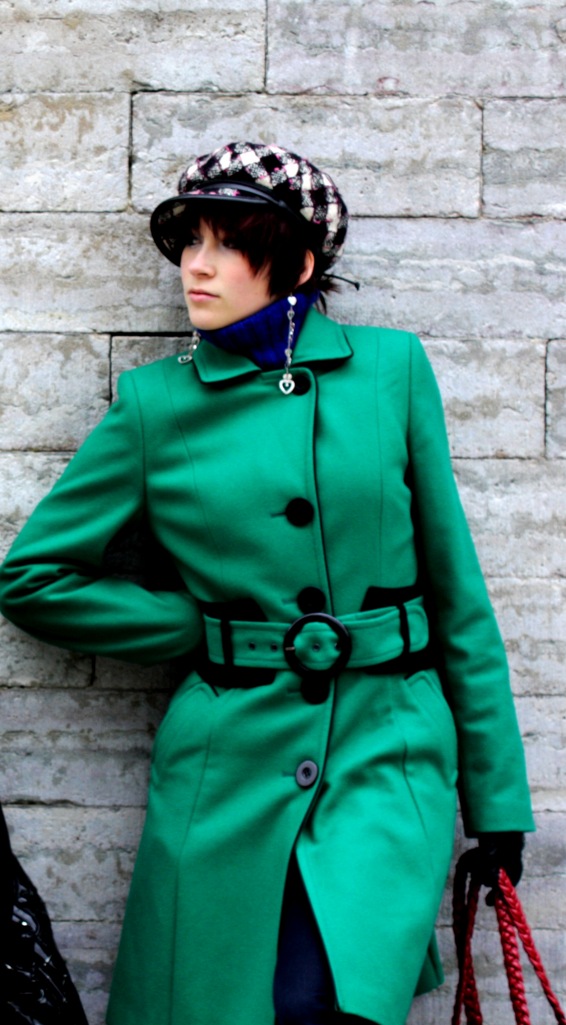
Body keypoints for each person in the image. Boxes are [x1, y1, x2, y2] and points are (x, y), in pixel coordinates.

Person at [0, 141, 534, 1025]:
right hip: (228, 765)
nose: (196, 266)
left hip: (386, 747)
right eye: (190, 242)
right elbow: (32, 577)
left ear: (299, 264)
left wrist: (496, 801)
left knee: (323, 998)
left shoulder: (392, 371)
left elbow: (457, 592)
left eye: (227, 244)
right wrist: (191, 628)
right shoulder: (155, 405)